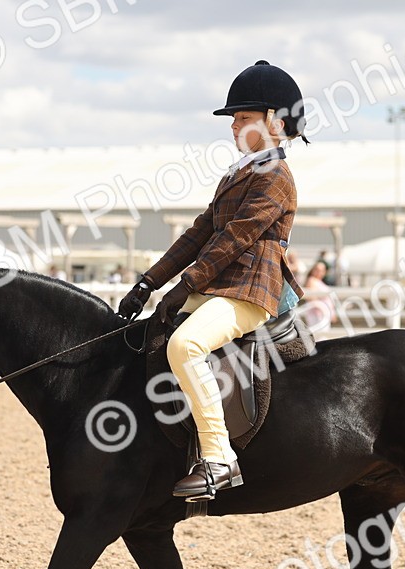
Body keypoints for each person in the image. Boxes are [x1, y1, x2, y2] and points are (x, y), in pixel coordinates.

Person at [117, 60, 308, 501]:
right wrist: (149, 282)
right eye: (235, 119)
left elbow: (236, 239)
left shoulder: (275, 177)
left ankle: (220, 459)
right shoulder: (239, 171)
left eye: (243, 118)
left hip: (249, 291)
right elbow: (200, 233)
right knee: (148, 338)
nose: (234, 126)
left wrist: (184, 286)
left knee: (186, 346)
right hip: (218, 287)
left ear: (276, 122)